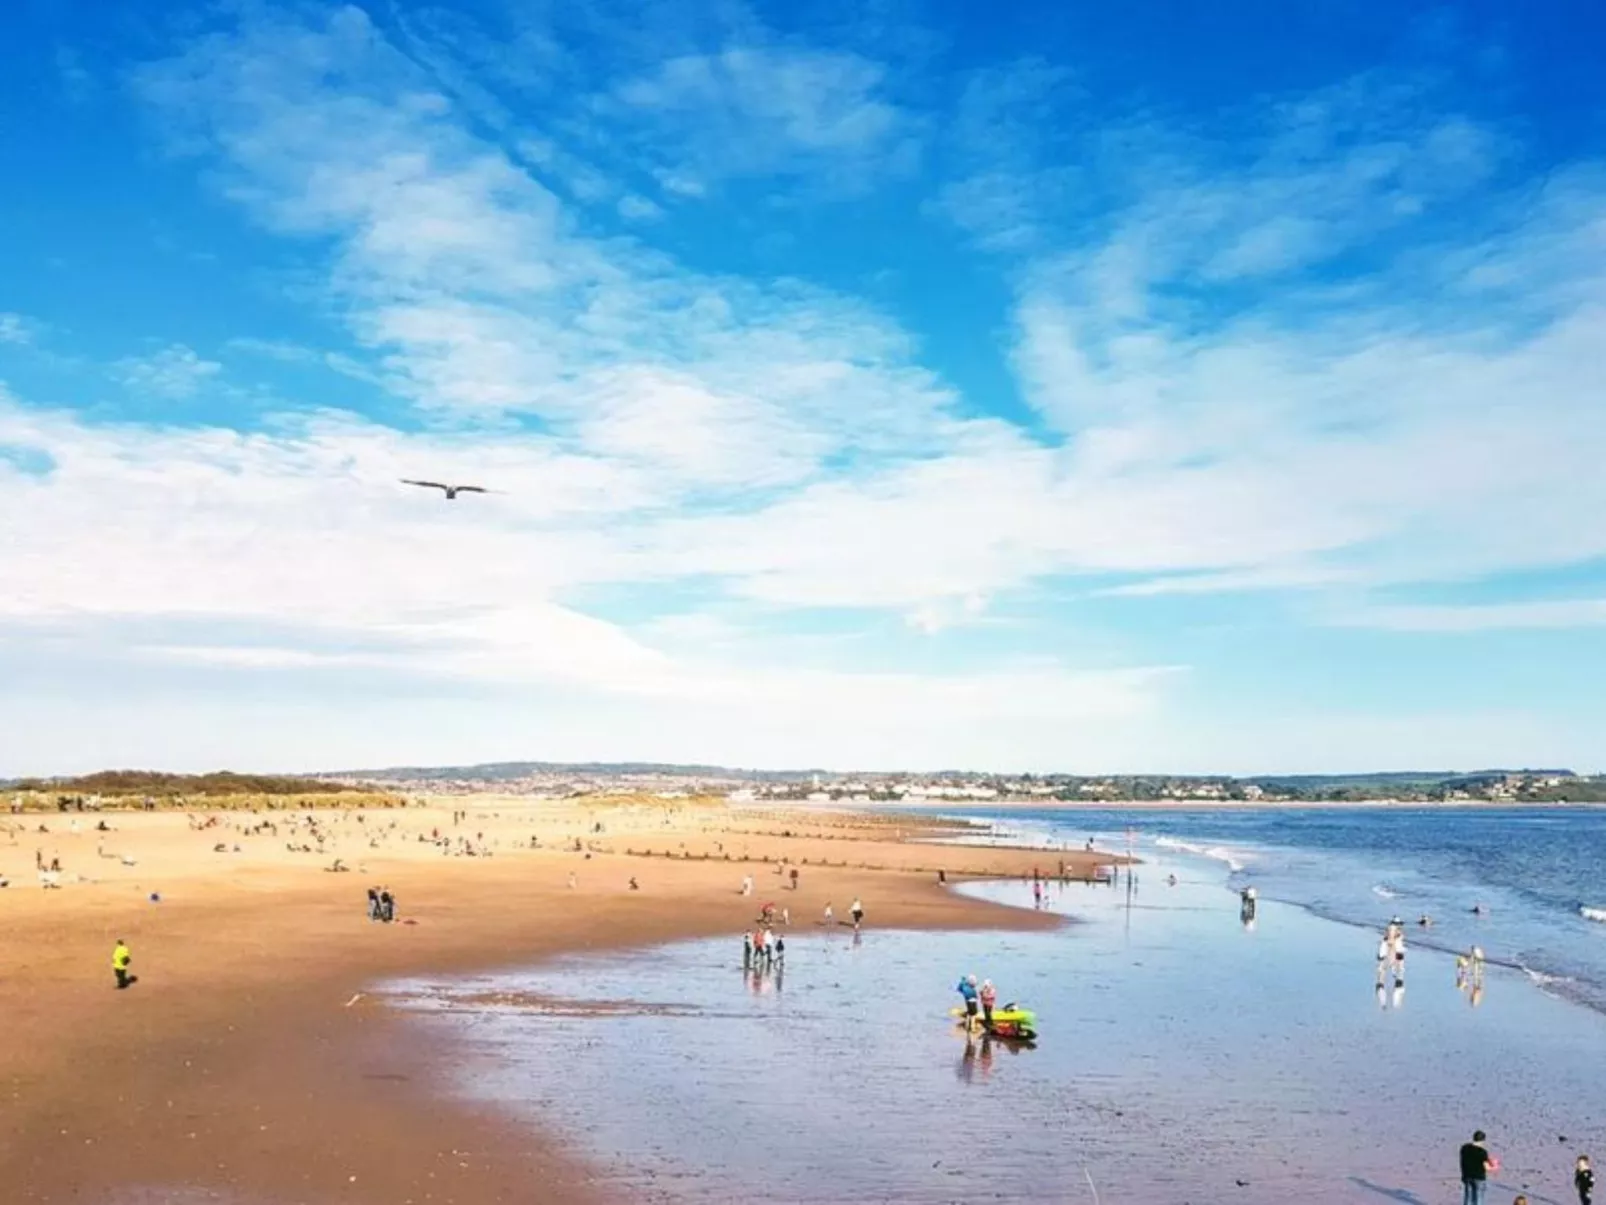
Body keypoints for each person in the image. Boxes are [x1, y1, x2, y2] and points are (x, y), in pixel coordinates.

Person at [1460, 1130, 1494, 1205]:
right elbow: (1487, 1167)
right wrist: (1493, 1166)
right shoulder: (1482, 1152)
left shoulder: (1464, 1148)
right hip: (1479, 1177)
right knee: (1478, 1199)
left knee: (1468, 1198)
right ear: (1483, 1140)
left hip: (1467, 1176)